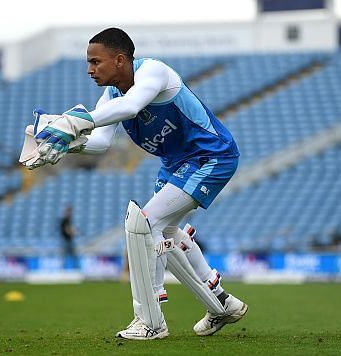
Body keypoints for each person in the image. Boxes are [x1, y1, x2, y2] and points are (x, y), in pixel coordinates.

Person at [20, 27, 247, 340]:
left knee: (145, 225)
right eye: (88, 63)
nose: (89, 69)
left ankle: (151, 321)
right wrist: (68, 144)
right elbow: (99, 143)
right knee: (166, 231)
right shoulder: (110, 95)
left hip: (211, 156)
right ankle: (222, 303)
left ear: (119, 59)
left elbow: (130, 107)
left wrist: (72, 122)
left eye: (95, 62)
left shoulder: (153, 72)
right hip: (176, 164)